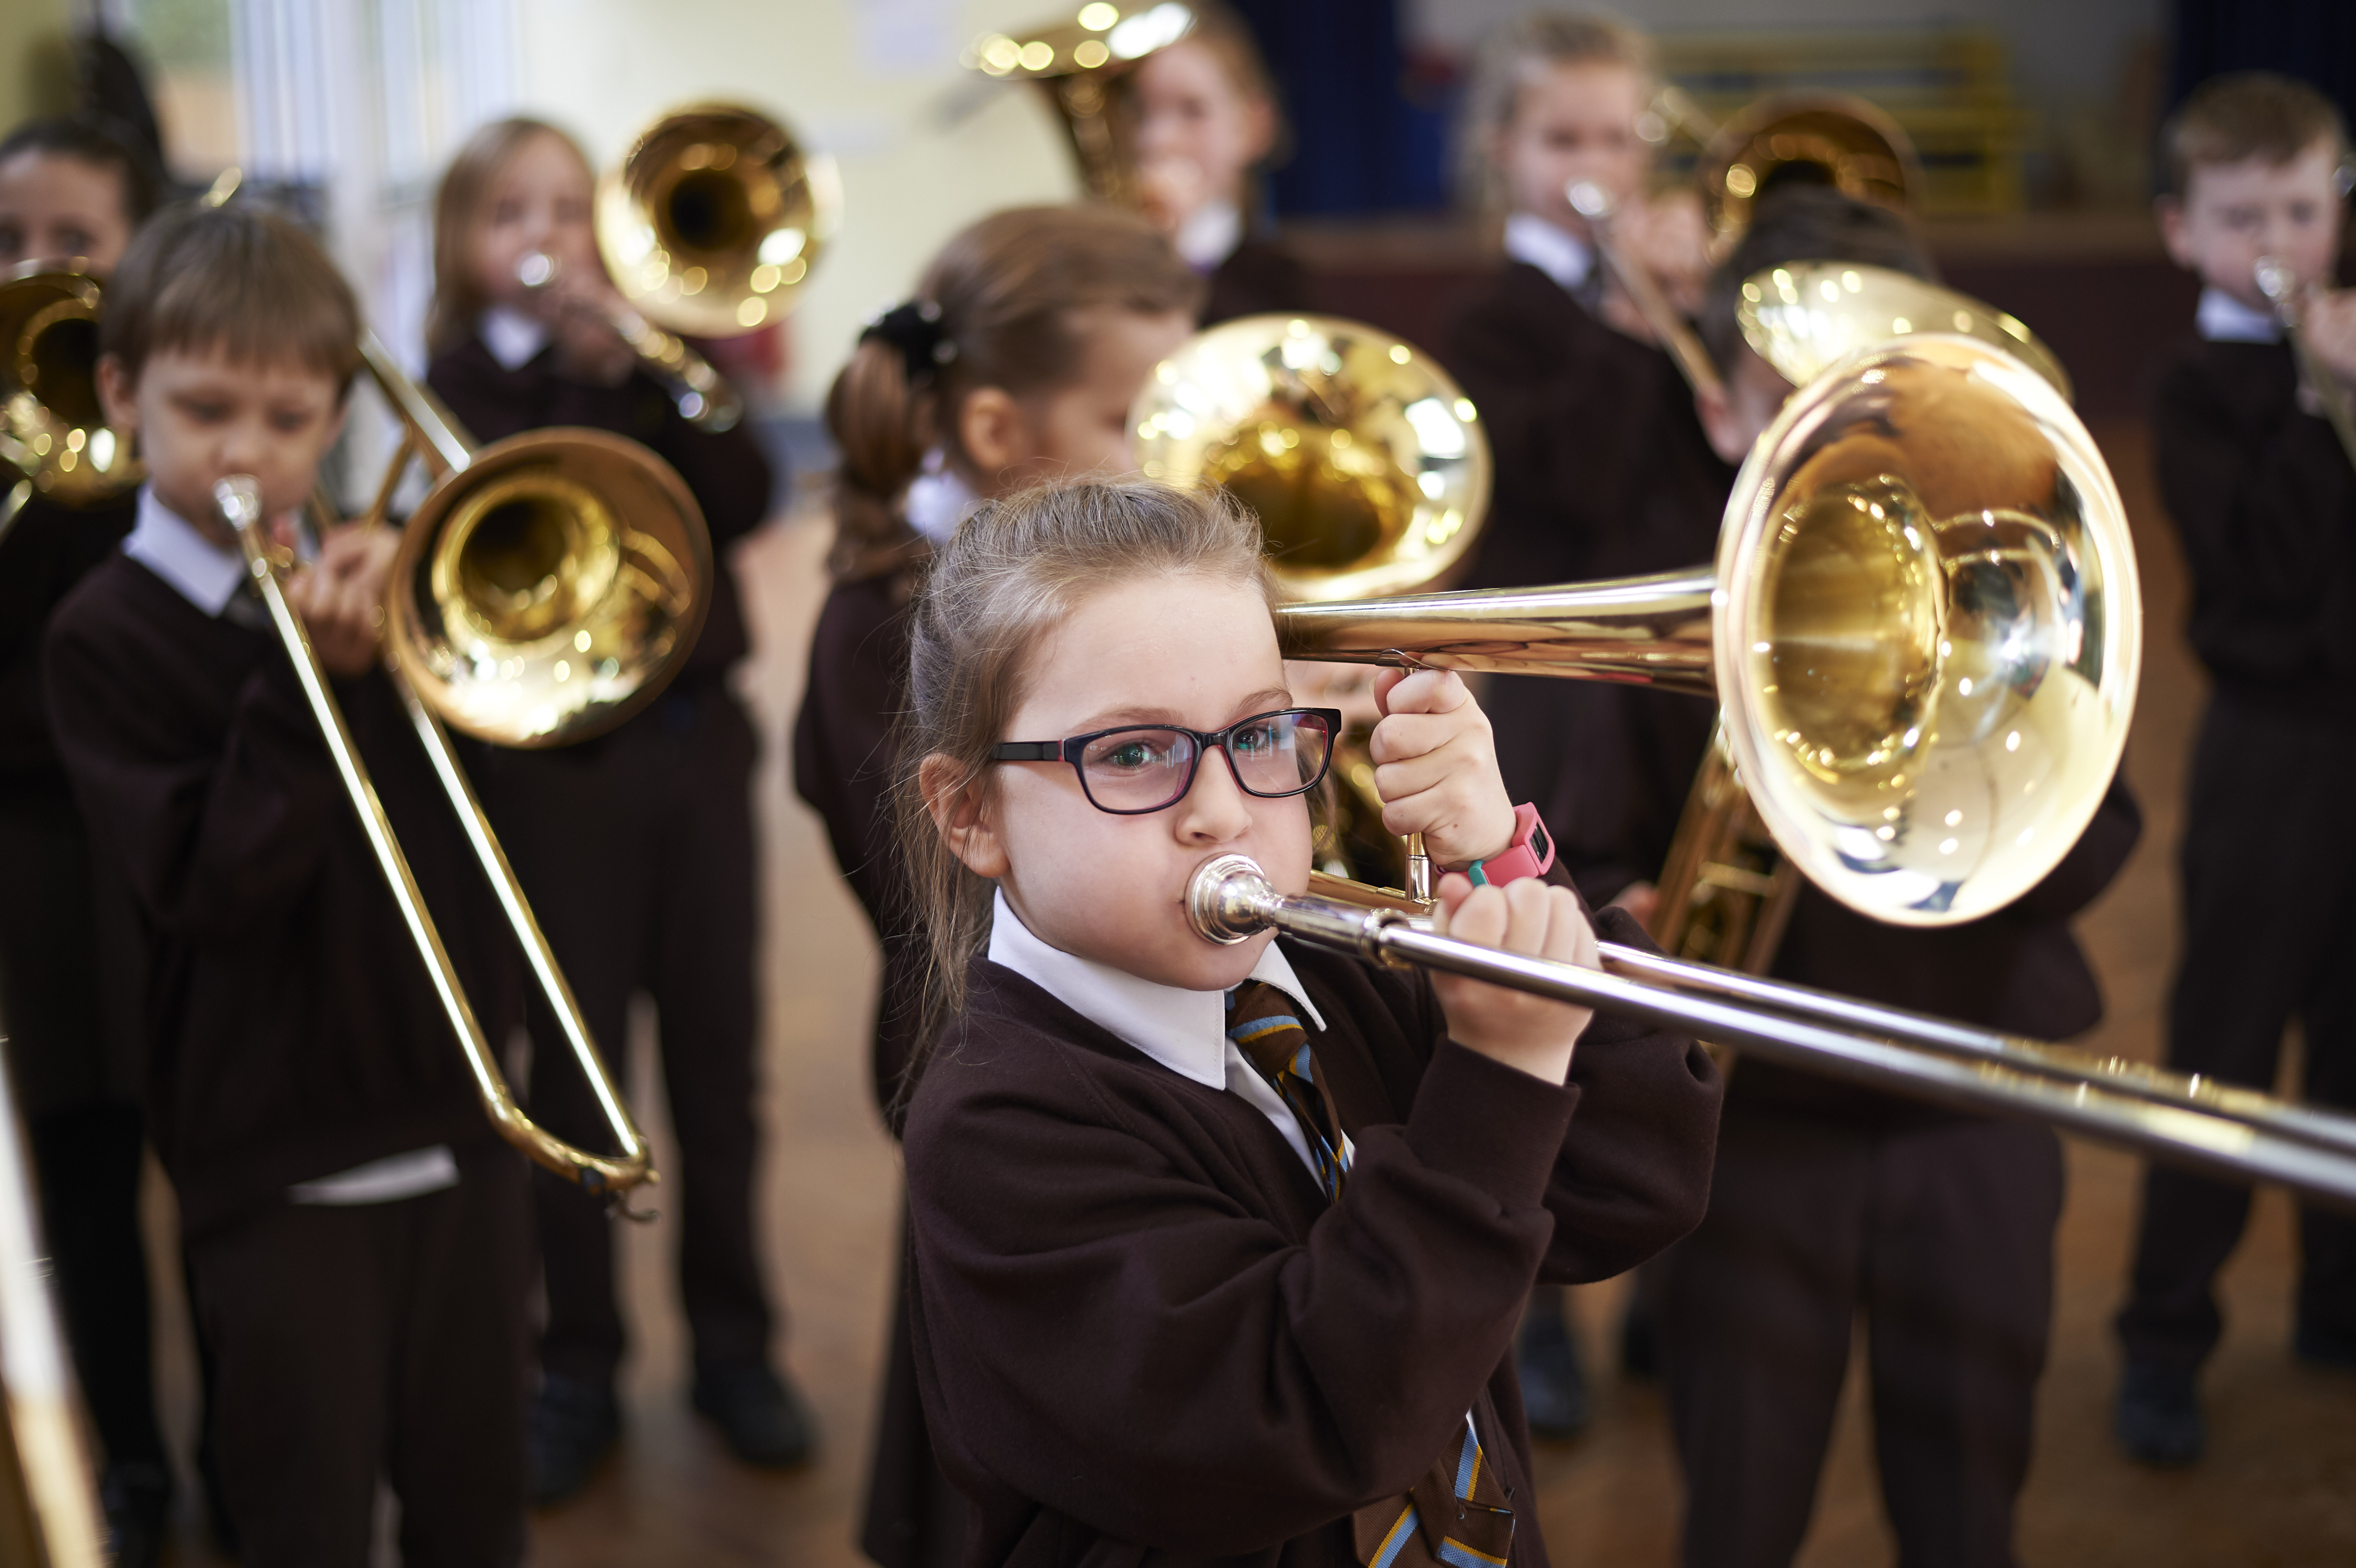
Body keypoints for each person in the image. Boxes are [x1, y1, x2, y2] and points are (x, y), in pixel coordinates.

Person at [892, 476, 1717, 1562]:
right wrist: (1499, 1081)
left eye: (1260, 732)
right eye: (1134, 752)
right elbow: (1314, 1420)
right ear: (971, 812)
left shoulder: (1333, 972)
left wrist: (1502, 862)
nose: (1224, 808)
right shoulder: (998, 1130)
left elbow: (1631, 1187)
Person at [1630, 187, 2144, 1568]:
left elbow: (2097, 839)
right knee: (1740, 1511)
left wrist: (1970, 762)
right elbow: (1601, 848)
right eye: (1779, 389)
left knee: (1969, 1506)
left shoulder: (2012, 594)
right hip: (1755, 1136)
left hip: (1970, 1100)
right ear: (1724, 408)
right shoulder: (1657, 600)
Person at [46, 201, 529, 1568]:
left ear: (335, 423)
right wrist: (308, 683)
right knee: (301, 1512)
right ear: (125, 395)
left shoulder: (366, 593)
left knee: (476, 1502)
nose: (249, 456)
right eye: (207, 412)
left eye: (290, 418)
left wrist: (426, 638)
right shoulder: (106, 636)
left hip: (454, 1115)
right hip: (273, 1157)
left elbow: (482, 836)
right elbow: (210, 884)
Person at [792, 202, 1200, 1568]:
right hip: (994, 1062)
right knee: (994, 1432)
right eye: (1136, 420)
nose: (1176, 459)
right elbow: (972, 900)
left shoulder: (1081, 600)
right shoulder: (882, 633)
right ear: (993, 435)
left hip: (1125, 1055)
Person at [420, 116, 800, 1504]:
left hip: (695, 758)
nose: (543, 240)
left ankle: (734, 1347)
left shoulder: (657, 373)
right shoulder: (455, 382)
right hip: (547, 783)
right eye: (508, 213)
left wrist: (652, 381)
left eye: (568, 212)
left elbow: (747, 496)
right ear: (463, 247)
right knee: (571, 1079)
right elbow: (465, 526)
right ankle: (574, 1362)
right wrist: (565, 395)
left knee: (721, 1073)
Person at [1443, 9, 1724, 1431]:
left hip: (1670, 709)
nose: (1596, 165)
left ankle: (1677, 1285)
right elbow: (1563, 484)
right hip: (1554, 711)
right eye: (1562, 138)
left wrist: (1709, 350)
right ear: (1501, 153)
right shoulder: (1491, 322)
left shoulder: (1674, 303)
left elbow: (1706, 478)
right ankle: (1536, 1308)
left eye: (1619, 136)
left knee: (1681, 976)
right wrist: (1632, 331)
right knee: (1546, 988)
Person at [2114, 70, 2356, 1466]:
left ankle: (2334, 1297)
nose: (2274, 240)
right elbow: (2262, 562)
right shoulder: (2198, 387)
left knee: (2350, 1036)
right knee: (2222, 1046)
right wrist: (2321, 392)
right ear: (2178, 231)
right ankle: (2162, 1331)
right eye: (2239, 214)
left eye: (2301, 209)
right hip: (2267, 749)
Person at [0, 112, 169, 1565]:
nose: (36, 267)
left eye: (73, 242)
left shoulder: (176, 426)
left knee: (215, 1142)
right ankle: (130, 1455)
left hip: (181, 838)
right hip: (42, 862)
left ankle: (247, 1444)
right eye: (8, 243)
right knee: (90, 1175)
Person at [1127, 1, 1313, 325]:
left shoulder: (1280, 283)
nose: (1156, 140)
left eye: (1192, 111)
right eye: (1139, 112)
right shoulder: (1107, 271)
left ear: (1255, 128)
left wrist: (1180, 247)